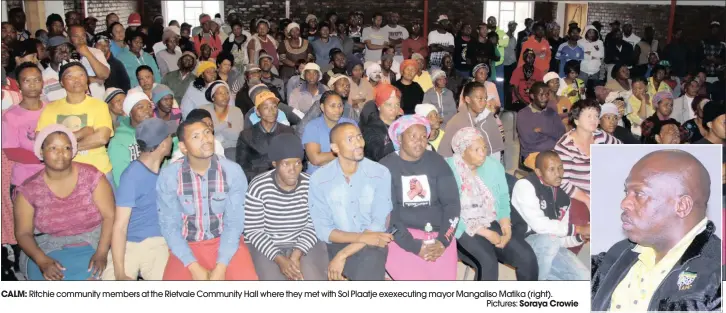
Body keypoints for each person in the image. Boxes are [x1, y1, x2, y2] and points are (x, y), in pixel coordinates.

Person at [591, 150, 721, 311]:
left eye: (640, 194)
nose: (624, 203)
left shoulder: (716, 277)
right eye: (627, 192)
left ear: (682, 206)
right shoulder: (615, 256)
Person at [157, 118, 257, 281]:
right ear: (183, 147)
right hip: (187, 246)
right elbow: (170, 226)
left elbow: (234, 222)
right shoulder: (170, 176)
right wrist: (193, 266)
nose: (205, 138)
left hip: (226, 242)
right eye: (195, 136)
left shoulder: (232, 171)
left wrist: (221, 266)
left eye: (207, 132)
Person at [14, 125, 114, 280]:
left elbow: (109, 216)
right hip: (47, 248)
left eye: (66, 148)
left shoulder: (92, 176)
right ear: (41, 152)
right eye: (53, 148)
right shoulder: (29, 190)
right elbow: (23, 233)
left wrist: (102, 252)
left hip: (94, 242)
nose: (61, 153)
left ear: (73, 152)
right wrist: (42, 261)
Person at [445, 127, 538, 281]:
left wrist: (506, 228)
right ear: (462, 151)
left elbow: (502, 199)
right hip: (460, 228)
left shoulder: (493, 166)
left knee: (526, 257)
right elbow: (450, 214)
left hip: (489, 220)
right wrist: (486, 233)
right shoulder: (448, 170)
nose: (483, 153)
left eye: (484, 148)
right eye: (476, 149)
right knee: (487, 262)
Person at [308, 122, 393, 280]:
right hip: (339, 242)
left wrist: (343, 255)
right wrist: (357, 240)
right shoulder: (319, 180)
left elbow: (378, 224)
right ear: (335, 148)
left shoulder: (380, 173)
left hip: (372, 244)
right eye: (350, 139)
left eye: (359, 137)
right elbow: (324, 230)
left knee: (369, 261)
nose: (358, 143)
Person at [379, 115, 460, 280]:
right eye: (413, 136)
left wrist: (443, 241)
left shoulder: (437, 162)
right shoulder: (385, 168)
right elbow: (388, 215)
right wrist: (414, 246)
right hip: (402, 236)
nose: (420, 141)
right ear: (400, 138)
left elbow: (452, 205)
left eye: (424, 137)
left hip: (439, 233)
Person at [244, 133, 328, 280]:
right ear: (275, 164)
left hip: (304, 241)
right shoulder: (259, 186)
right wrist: (279, 258)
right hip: (267, 244)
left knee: (312, 279)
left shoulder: (311, 185)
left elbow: (314, 224)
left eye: (297, 163)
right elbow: (254, 230)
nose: (293, 170)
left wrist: (297, 253)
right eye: (286, 164)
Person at [103, 118, 173, 281]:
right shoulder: (133, 175)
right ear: (162, 145)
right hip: (129, 245)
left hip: (159, 244)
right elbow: (120, 227)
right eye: (169, 136)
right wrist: (120, 273)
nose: (172, 139)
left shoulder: (164, 174)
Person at [511, 151, 588, 280]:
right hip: (521, 242)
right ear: (539, 172)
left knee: (584, 278)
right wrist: (577, 228)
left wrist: (580, 237)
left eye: (560, 168)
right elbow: (539, 226)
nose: (558, 174)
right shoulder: (525, 186)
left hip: (549, 246)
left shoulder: (564, 199)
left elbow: (560, 239)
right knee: (550, 241)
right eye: (551, 169)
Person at [36, 62, 115, 186]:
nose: (76, 79)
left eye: (81, 75)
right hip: (65, 176)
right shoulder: (51, 109)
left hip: (99, 171)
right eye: (70, 76)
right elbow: (41, 142)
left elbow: (102, 138)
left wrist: (62, 148)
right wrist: (82, 133)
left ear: (87, 80)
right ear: (61, 82)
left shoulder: (100, 106)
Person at [555, 99, 621, 210]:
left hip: (604, 193)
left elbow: (621, 149)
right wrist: (587, 200)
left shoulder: (600, 136)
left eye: (596, 116)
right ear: (576, 120)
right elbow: (563, 183)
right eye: (589, 116)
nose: (594, 120)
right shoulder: (565, 146)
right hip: (579, 199)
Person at [2, 63, 46, 193]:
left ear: (42, 83)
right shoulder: (10, 116)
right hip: (25, 181)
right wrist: (46, 158)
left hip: (53, 179)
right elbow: (11, 152)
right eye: (27, 80)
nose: (32, 84)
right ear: (19, 84)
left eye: (37, 80)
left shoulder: (51, 109)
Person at [236, 90, 296, 182]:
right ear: (258, 112)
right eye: (266, 107)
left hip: (284, 180)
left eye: (274, 107)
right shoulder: (246, 136)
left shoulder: (289, 132)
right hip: (258, 181)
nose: (271, 111)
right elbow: (243, 166)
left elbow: (298, 160)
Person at [439, 82, 504, 160]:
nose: (484, 103)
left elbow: (496, 151)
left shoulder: (489, 118)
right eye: (480, 99)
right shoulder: (456, 122)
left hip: (489, 164)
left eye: (485, 98)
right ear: (468, 99)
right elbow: (446, 155)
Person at [302, 90, 357, 174]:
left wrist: (326, 157)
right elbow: (316, 159)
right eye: (332, 106)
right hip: (319, 174)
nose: (337, 110)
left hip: (346, 173)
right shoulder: (312, 127)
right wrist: (345, 153)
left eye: (340, 105)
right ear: (322, 107)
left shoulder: (350, 124)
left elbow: (357, 152)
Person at [108, 91, 153, 187]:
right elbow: (121, 178)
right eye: (140, 107)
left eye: (149, 106)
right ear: (130, 112)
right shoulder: (119, 141)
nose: (147, 110)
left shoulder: (156, 133)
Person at [517, 82, 566, 169]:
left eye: (547, 95)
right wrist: (552, 134)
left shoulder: (551, 112)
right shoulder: (523, 114)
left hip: (554, 152)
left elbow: (562, 133)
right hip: (533, 154)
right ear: (532, 96)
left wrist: (542, 130)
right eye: (541, 95)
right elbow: (530, 140)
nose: (545, 98)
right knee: (552, 170)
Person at [200, 81, 243, 159]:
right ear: (213, 97)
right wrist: (225, 125)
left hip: (231, 149)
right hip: (209, 148)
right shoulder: (203, 110)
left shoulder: (236, 111)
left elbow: (237, 135)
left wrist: (214, 130)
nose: (225, 96)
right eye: (220, 93)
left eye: (227, 93)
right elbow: (203, 132)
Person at [68, 25, 110, 100]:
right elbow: (67, 80)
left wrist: (87, 53)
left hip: (98, 100)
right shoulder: (65, 56)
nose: (81, 39)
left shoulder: (96, 52)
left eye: (83, 35)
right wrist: (93, 79)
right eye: (76, 36)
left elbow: (104, 75)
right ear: (69, 39)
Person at [361, 84, 401, 161]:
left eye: (397, 104)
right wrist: (399, 140)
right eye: (389, 104)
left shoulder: (403, 124)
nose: (394, 109)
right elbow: (377, 155)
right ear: (378, 106)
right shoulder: (370, 129)